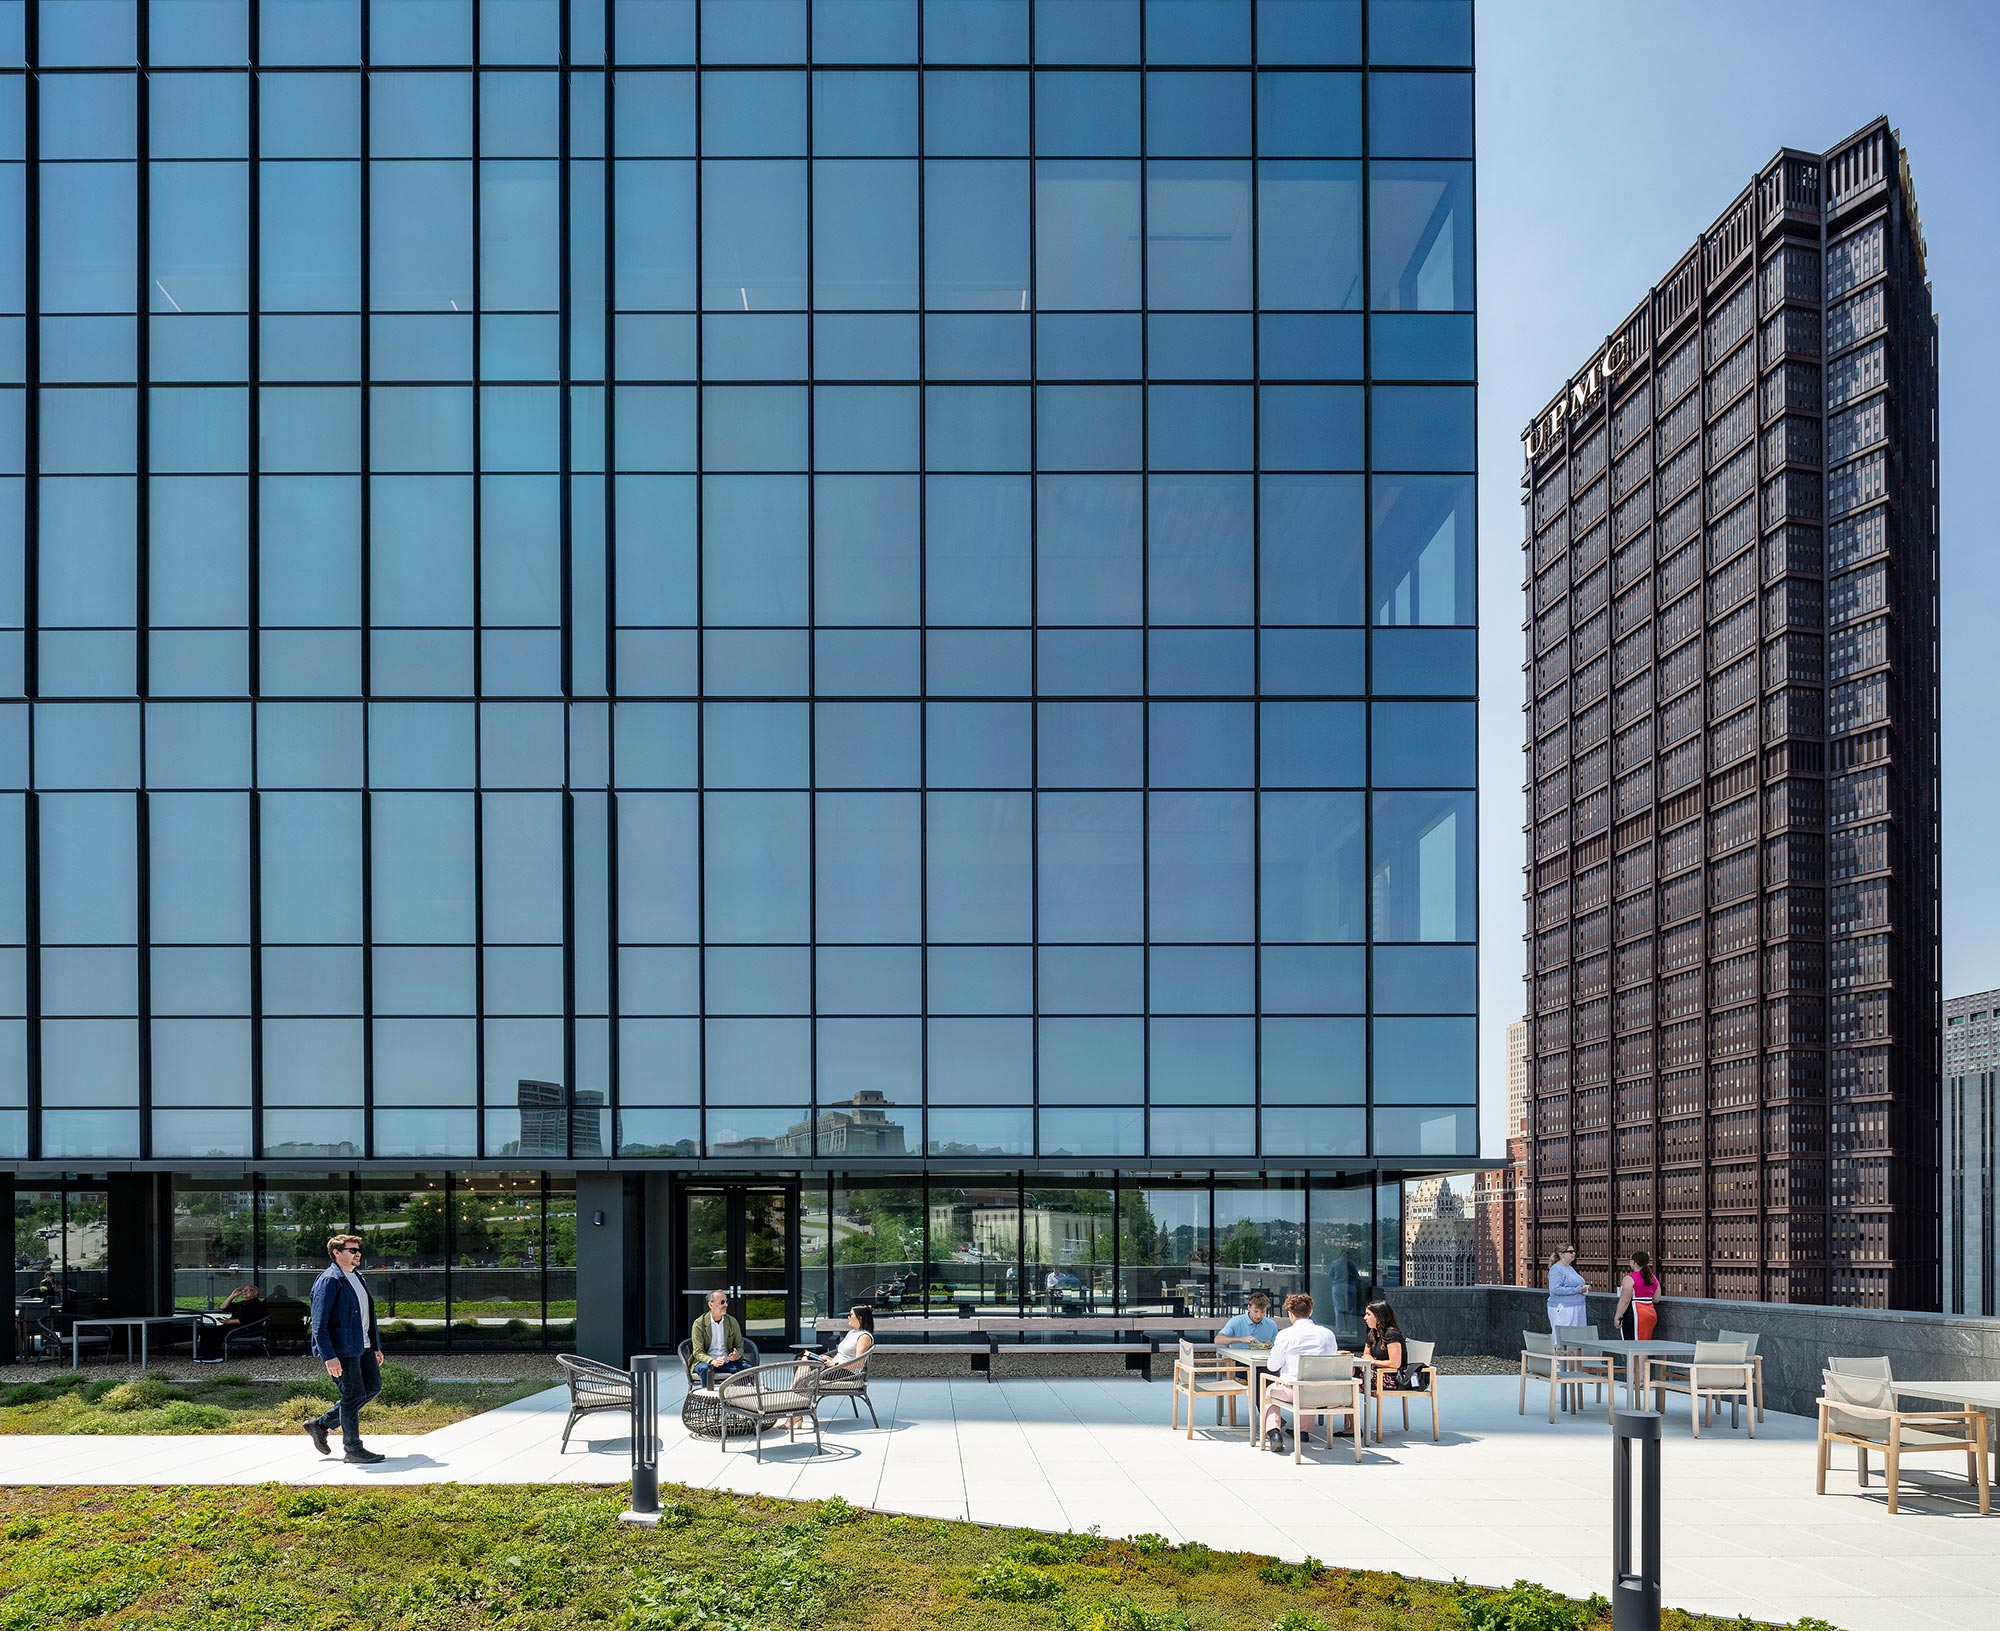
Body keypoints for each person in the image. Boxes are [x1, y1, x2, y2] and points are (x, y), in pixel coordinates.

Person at [305, 1234, 386, 1465]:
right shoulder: (329, 1280)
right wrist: (329, 1356)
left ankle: (320, 1424)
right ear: (337, 1253)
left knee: (372, 1387)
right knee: (352, 1396)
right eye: (351, 1250)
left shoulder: (357, 1277)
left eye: (358, 1250)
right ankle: (353, 1449)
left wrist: (375, 1346)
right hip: (342, 1350)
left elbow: (367, 1315)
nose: (357, 1253)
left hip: (363, 1347)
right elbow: (319, 1324)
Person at [1259, 1291, 1345, 1453]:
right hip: (1326, 1391)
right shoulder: (1328, 1334)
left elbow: (1272, 1366)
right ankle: (1303, 1431)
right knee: (1310, 1382)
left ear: (1290, 1314)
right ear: (1310, 1311)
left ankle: (1273, 1433)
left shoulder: (1286, 1335)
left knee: (1269, 1390)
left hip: (1295, 1391)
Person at [789, 1304, 875, 1429]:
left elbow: (858, 1362)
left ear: (860, 1318)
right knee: (800, 1359)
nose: (848, 1317)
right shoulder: (852, 1332)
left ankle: (795, 1409)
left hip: (847, 1374)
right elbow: (843, 1354)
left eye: (851, 1315)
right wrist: (831, 1359)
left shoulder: (864, 1337)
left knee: (804, 1364)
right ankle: (797, 1410)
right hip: (836, 1367)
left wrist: (834, 1364)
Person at [690, 1290, 749, 1389]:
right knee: (705, 1370)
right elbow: (697, 1352)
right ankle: (709, 1400)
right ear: (711, 1304)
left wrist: (737, 1355)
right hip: (706, 1363)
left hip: (727, 1362)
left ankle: (739, 1401)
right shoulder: (699, 1323)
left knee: (747, 1369)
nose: (726, 1305)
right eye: (722, 1302)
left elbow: (739, 1345)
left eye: (726, 1301)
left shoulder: (732, 1322)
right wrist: (712, 1361)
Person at [197, 1282, 267, 1361]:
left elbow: (245, 1320)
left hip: (244, 1329)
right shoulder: (243, 1303)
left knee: (215, 1331)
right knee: (206, 1329)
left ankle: (213, 1356)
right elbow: (223, 1307)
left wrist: (228, 1322)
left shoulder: (256, 1305)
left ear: (255, 1293)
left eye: (248, 1290)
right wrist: (232, 1296)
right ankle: (203, 1355)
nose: (244, 1291)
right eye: (244, 1290)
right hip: (234, 1327)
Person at [1613, 1251, 1659, 1340]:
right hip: (1650, 1312)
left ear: (1634, 1262)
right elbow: (1656, 1298)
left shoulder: (1629, 1278)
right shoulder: (1652, 1278)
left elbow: (1625, 1301)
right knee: (1644, 1344)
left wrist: (1617, 1316)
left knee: (1632, 1344)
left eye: (1629, 1260)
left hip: (1635, 1312)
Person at [1546, 1243, 1588, 1334]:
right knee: (1564, 1336)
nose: (1573, 1253)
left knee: (1578, 1337)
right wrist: (1578, 1290)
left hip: (1578, 1306)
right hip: (1564, 1307)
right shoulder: (1556, 1269)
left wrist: (1584, 1288)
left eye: (1573, 1251)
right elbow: (1554, 1289)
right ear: (1561, 1254)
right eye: (1570, 1251)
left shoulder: (1569, 1268)